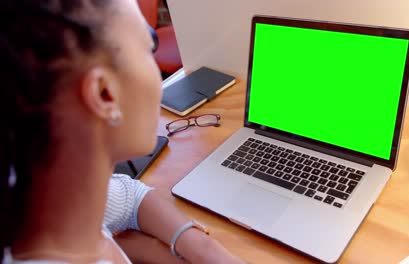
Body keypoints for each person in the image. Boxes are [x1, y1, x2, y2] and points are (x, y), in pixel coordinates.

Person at [0, 0, 245, 263]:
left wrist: (198, 248)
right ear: (105, 94)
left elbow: (129, 197)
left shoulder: (49, 200)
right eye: (149, 48)